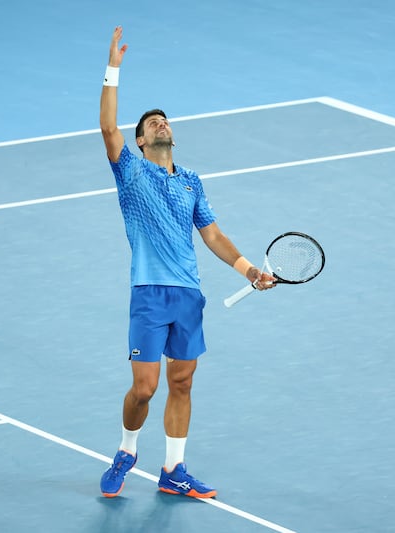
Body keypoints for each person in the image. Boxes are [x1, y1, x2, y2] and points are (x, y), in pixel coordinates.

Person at [98, 25, 275, 499]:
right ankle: (126, 450)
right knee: (144, 388)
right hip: (149, 293)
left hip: (187, 295)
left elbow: (211, 234)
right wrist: (112, 68)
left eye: (164, 119)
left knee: (182, 380)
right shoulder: (130, 172)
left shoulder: (192, 181)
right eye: (151, 123)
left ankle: (173, 468)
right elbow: (107, 127)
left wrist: (249, 270)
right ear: (137, 141)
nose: (161, 123)